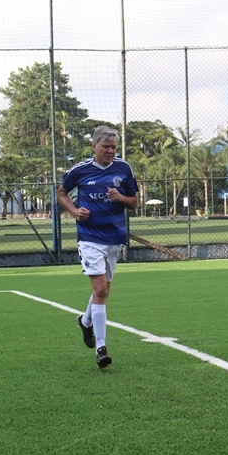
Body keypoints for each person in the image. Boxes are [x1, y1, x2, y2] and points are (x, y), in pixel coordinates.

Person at [57, 126, 138, 368]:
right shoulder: (80, 170)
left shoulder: (123, 169)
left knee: (103, 291)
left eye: (114, 147)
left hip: (114, 238)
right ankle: (101, 349)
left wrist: (120, 198)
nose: (111, 151)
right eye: (106, 147)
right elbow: (62, 193)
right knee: (100, 290)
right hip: (90, 238)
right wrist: (74, 210)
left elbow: (134, 202)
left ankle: (85, 321)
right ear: (94, 146)